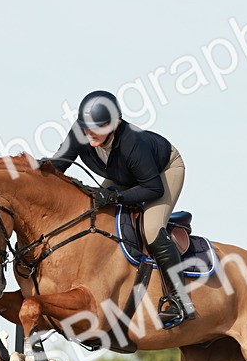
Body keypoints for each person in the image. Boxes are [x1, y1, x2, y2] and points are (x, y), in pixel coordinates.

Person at [48, 90, 196, 326]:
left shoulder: (132, 142)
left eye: (97, 128)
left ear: (115, 124)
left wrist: (116, 198)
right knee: (92, 214)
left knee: (151, 228)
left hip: (162, 172)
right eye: (86, 128)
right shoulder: (81, 131)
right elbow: (57, 167)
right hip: (123, 173)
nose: (89, 134)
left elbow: (153, 189)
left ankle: (179, 299)